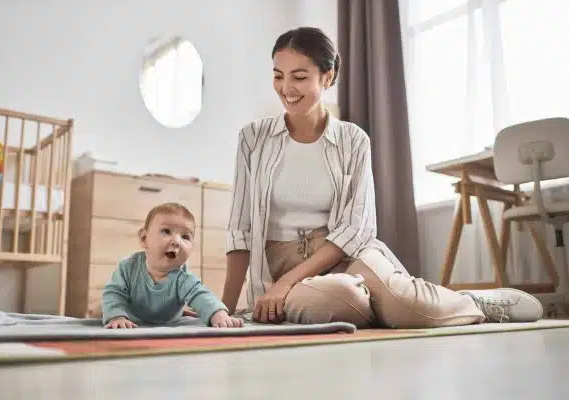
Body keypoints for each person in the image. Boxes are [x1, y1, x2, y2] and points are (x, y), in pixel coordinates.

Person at [220, 27, 544, 328]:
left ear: (328, 77)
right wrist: (225, 307)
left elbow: (356, 229)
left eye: (299, 77)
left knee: (410, 307)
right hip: (282, 264)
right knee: (341, 302)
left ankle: (473, 303)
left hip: (345, 253)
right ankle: (382, 303)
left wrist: (286, 285)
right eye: (278, 76)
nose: (286, 89)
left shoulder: (353, 140)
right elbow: (241, 230)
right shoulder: (253, 138)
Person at [102, 202, 243, 329]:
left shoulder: (184, 278)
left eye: (185, 237)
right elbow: (113, 294)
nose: (176, 241)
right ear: (144, 238)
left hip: (168, 321)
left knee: (197, 309)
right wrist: (117, 316)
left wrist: (219, 314)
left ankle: (182, 311)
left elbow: (201, 295)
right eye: (166, 231)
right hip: (133, 321)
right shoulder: (127, 268)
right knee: (107, 307)